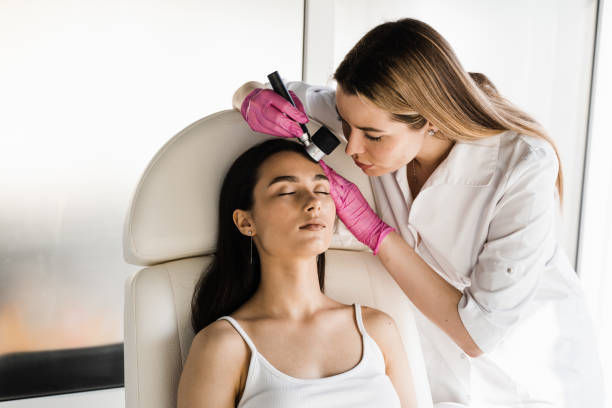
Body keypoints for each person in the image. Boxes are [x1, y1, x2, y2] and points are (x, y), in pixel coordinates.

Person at [232, 18, 604, 407]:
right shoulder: (366, 115)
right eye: (345, 124)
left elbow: (479, 334)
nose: (353, 147)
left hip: (534, 382)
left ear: (430, 120)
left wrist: (375, 232)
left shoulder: (523, 168)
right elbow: (260, 90)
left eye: (373, 136)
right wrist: (249, 100)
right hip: (438, 382)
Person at [177, 139, 417, 408]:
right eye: (287, 191)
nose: (314, 202)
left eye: (322, 190)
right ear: (246, 222)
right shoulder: (223, 345)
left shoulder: (377, 329)